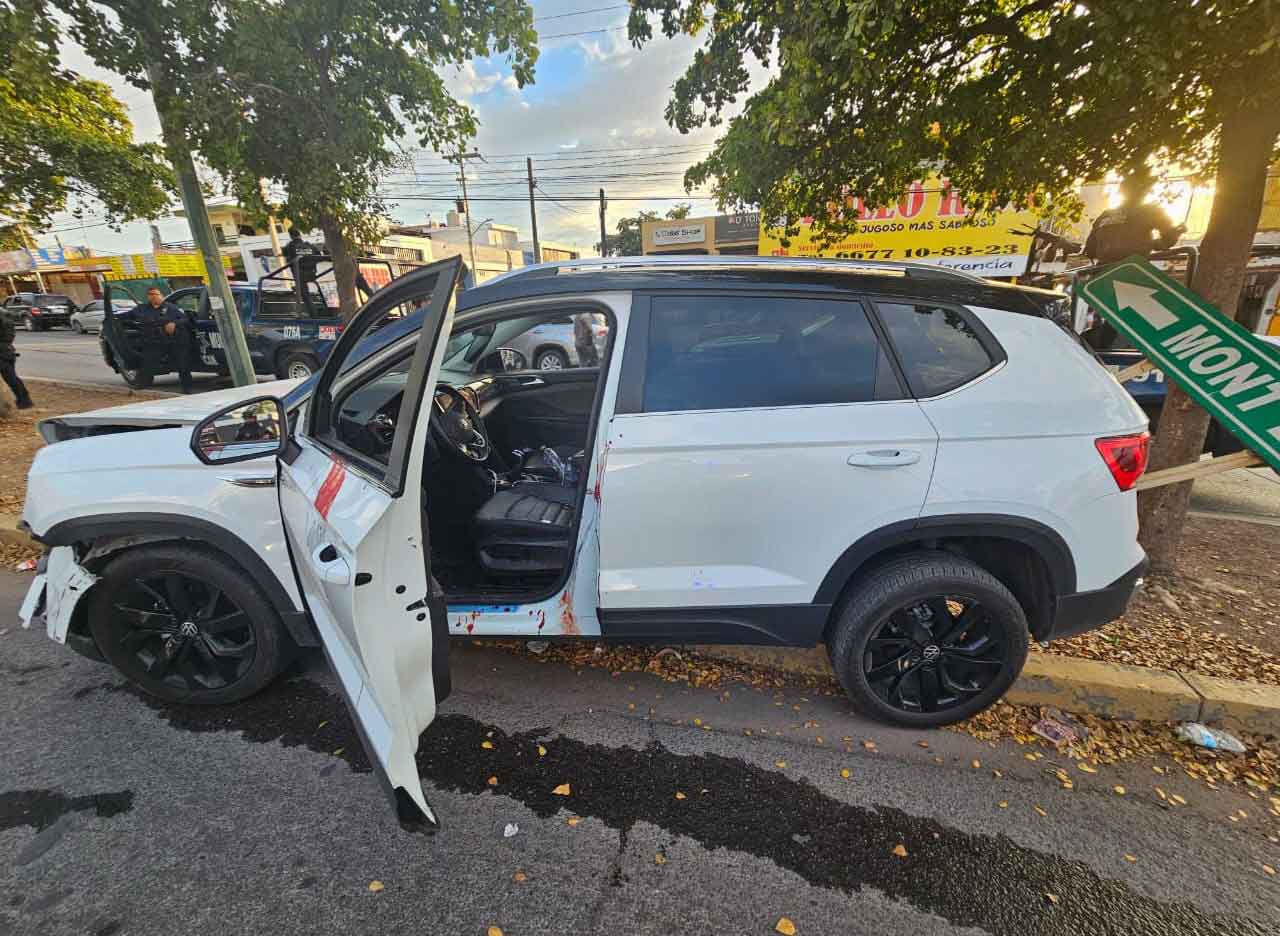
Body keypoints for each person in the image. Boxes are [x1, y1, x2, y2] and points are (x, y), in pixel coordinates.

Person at [1084, 170, 1186, 265]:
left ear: (1122, 191)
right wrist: (1173, 234)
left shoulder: (1105, 215)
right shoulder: (1151, 211)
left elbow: (1090, 250)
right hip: (1134, 271)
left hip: (1101, 272)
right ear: (1144, 191)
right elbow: (1168, 239)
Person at [120, 286, 194, 393]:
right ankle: (141, 387)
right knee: (147, 363)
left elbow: (185, 319)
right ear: (148, 297)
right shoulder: (141, 309)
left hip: (174, 341)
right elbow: (126, 316)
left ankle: (187, 388)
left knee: (183, 365)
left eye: (156, 294)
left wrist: (174, 323)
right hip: (155, 341)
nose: (154, 296)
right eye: (151, 294)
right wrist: (112, 317)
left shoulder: (171, 308)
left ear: (161, 296)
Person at [0, 299, 34, 409]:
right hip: (7, 350)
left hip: (3, 351)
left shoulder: (3, 317)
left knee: (11, 378)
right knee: (12, 378)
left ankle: (24, 401)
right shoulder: (6, 314)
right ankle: (24, 400)